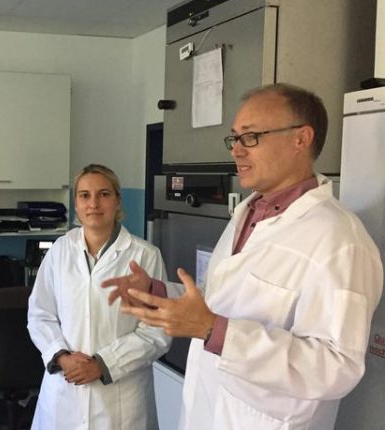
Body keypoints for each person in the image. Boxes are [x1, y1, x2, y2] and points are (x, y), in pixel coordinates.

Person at [103, 83, 384, 430]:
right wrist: (159, 293)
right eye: (234, 138)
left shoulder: (340, 240)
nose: (236, 150)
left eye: (250, 137)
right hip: (207, 410)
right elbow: (223, 301)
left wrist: (214, 330)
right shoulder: (247, 214)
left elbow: (336, 367)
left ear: (301, 138)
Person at [27, 164, 170, 429]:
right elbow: (39, 315)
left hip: (121, 398)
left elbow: (156, 331)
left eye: (103, 194)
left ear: (117, 201)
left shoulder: (144, 256)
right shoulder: (59, 251)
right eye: (84, 195)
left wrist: (103, 365)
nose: (93, 204)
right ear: (76, 203)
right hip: (64, 391)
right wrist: (61, 357)